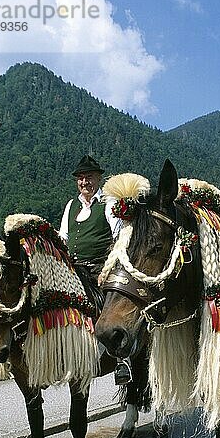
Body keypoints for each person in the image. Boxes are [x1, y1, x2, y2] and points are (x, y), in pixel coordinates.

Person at [59, 154, 131, 385]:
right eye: (80, 179)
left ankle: (122, 359)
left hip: (102, 268)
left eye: (89, 177)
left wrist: (109, 266)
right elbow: (63, 239)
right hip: (74, 270)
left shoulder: (108, 204)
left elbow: (119, 236)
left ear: (98, 179)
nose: (84, 183)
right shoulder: (71, 206)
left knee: (110, 306)